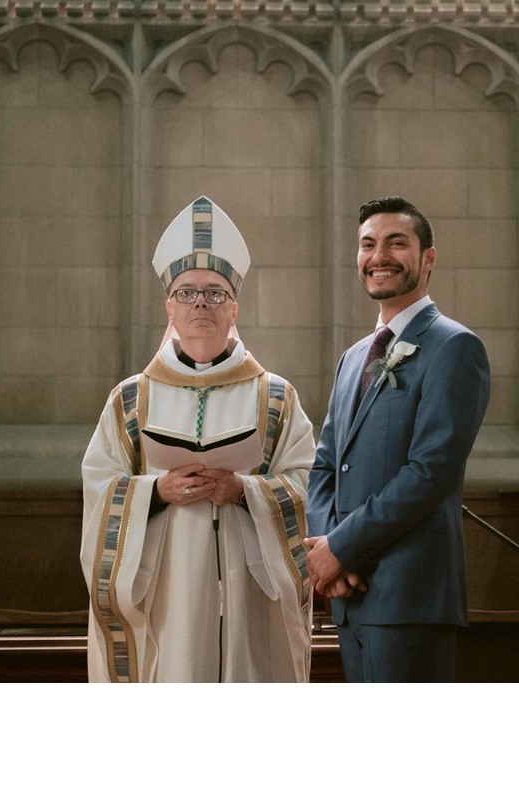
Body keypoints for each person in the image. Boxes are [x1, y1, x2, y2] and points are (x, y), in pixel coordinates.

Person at [80, 196, 315, 682]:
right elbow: (100, 486)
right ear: (170, 307)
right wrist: (154, 492)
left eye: (215, 292)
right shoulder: (131, 399)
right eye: (187, 293)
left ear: (235, 308)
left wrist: (245, 490)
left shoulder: (274, 397)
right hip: (168, 593)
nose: (201, 303)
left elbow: (308, 482)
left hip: (251, 597)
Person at [305, 196, 491, 682]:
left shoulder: (455, 346)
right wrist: (331, 554)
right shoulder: (353, 358)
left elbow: (430, 472)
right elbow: (326, 466)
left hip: (411, 593)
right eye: (368, 244)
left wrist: (342, 548)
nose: (378, 256)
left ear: (428, 258)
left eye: (396, 243)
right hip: (351, 594)